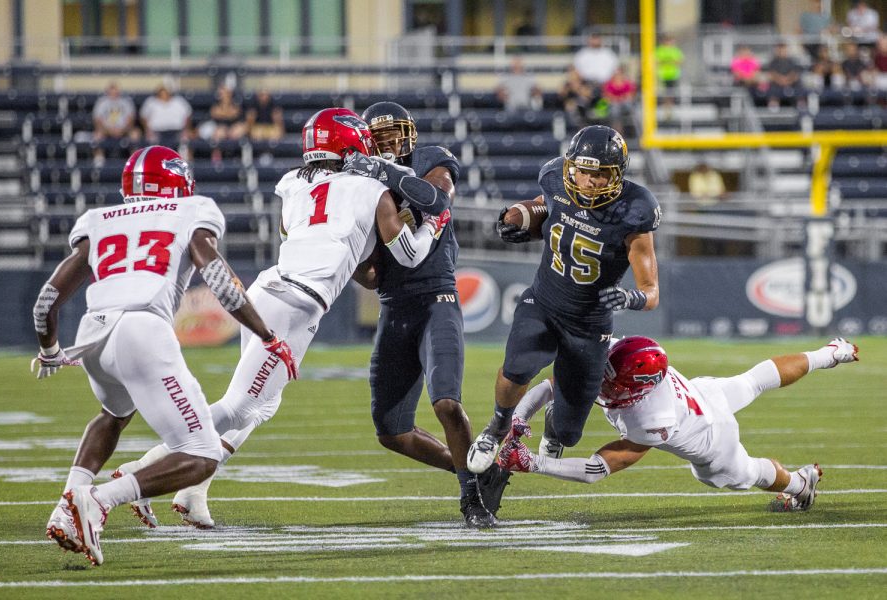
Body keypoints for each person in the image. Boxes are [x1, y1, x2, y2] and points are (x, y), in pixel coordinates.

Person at [115, 108, 451, 529]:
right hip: (296, 305)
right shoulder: (370, 188)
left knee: (261, 406)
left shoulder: (292, 184)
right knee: (239, 406)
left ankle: (193, 490)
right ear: (350, 144)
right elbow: (409, 254)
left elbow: (303, 238)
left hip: (266, 291)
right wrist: (431, 227)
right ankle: (137, 473)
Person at [36, 145, 298, 565]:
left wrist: (50, 349)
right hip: (141, 330)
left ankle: (64, 507)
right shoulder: (192, 211)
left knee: (113, 416)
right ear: (177, 185)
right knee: (203, 454)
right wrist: (267, 335)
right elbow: (221, 281)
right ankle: (98, 501)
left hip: (92, 334)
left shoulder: (97, 219)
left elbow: (46, 301)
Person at [342, 101, 511, 529]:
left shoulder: (427, 160)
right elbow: (373, 275)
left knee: (447, 404)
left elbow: (437, 197)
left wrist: (384, 171)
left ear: (409, 133)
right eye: (379, 136)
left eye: (394, 133)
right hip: (394, 306)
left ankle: (472, 498)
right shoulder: (360, 185)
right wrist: (346, 257)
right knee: (391, 431)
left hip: (437, 298)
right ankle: (477, 471)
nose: (389, 142)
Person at [466, 125, 662, 473]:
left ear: (617, 175)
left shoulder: (635, 211)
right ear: (570, 166)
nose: (588, 181)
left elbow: (651, 293)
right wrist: (521, 222)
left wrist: (630, 297)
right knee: (517, 368)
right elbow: (546, 210)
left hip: (589, 324)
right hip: (543, 303)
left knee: (568, 433)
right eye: (583, 171)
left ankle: (556, 414)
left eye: (600, 174)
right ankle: (496, 428)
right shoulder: (555, 181)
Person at [496, 336, 860, 513]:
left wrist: (535, 463)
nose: (602, 384)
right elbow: (551, 385)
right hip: (702, 394)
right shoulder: (618, 353)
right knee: (752, 380)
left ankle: (800, 484)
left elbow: (597, 468)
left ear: (637, 388)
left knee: (744, 473)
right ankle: (830, 353)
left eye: (612, 382)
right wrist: (518, 417)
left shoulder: (652, 420)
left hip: (710, 438)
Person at [91, 82, 139, 164]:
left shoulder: (126, 102)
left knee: (135, 134)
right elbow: (98, 120)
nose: (113, 93)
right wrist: (109, 130)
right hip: (106, 130)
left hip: (124, 129)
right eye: (111, 91)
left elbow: (131, 119)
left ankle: (134, 161)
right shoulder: (102, 102)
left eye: (115, 91)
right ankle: (99, 161)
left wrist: (122, 130)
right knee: (97, 135)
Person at [139, 85, 192, 150]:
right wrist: (147, 130)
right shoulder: (151, 102)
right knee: (152, 141)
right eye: (161, 93)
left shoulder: (179, 101)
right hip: (156, 131)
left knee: (185, 140)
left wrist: (185, 129)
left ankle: (184, 159)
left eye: (166, 92)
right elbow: (143, 117)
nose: (164, 95)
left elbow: (188, 116)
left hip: (177, 130)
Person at [764, 43, 805, 109]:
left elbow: (795, 73)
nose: (781, 52)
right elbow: (772, 74)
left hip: (791, 83)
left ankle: (801, 108)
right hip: (777, 85)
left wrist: (788, 80)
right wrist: (781, 80)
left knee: (799, 85)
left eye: (783, 50)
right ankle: (773, 108)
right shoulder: (773, 62)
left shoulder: (792, 61)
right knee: (771, 88)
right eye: (780, 50)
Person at [600, 67, 638, 132]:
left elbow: (630, 95)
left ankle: (636, 131)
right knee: (615, 110)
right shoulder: (609, 84)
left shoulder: (627, 83)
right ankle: (616, 131)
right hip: (614, 104)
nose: (618, 76)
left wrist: (620, 98)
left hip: (625, 104)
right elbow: (607, 96)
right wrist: (617, 98)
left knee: (632, 108)